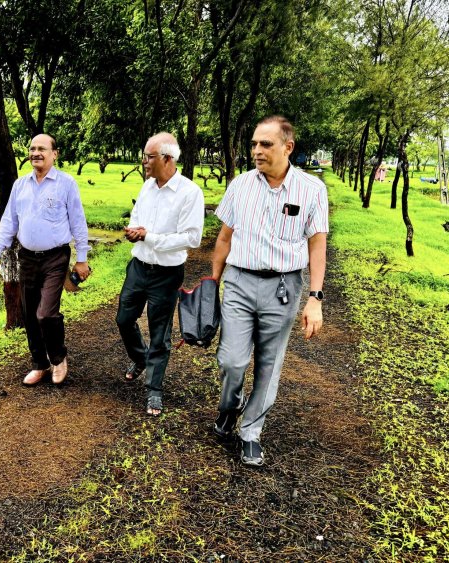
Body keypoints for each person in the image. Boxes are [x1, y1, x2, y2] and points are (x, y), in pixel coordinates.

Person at [210, 115, 328, 466]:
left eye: (266, 144)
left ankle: (251, 431)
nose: (256, 151)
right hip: (239, 282)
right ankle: (230, 406)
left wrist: (315, 298)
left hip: (283, 286)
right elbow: (224, 237)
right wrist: (210, 284)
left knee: (269, 364)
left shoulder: (311, 190)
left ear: (287, 147)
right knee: (231, 360)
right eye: (254, 144)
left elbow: (317, 246)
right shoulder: (240, 185)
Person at [0, 134, 90, 386]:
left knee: (46, 314)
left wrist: (82, 258)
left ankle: (58, 357)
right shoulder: (20, 185)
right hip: (28, 258)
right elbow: (9, 223)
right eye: (32, 149)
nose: (36, 153)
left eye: (42, 149)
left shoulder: (66, 183)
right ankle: (39, 363)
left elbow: (78, 221)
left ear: (55, 154)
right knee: (29, 313)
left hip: (56, 257)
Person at [116, 132, 205, 416]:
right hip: (139, 266)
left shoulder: (190, 193)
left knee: (160, 332)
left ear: (167, 158)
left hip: (166, 274)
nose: (144, 161)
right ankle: (140, 359)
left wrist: (149, 237)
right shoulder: (147, 187)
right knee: (124, 318)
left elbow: (192, 238)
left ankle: (154, 389)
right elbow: (137, 218)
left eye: (149, 156)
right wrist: (134, 232)